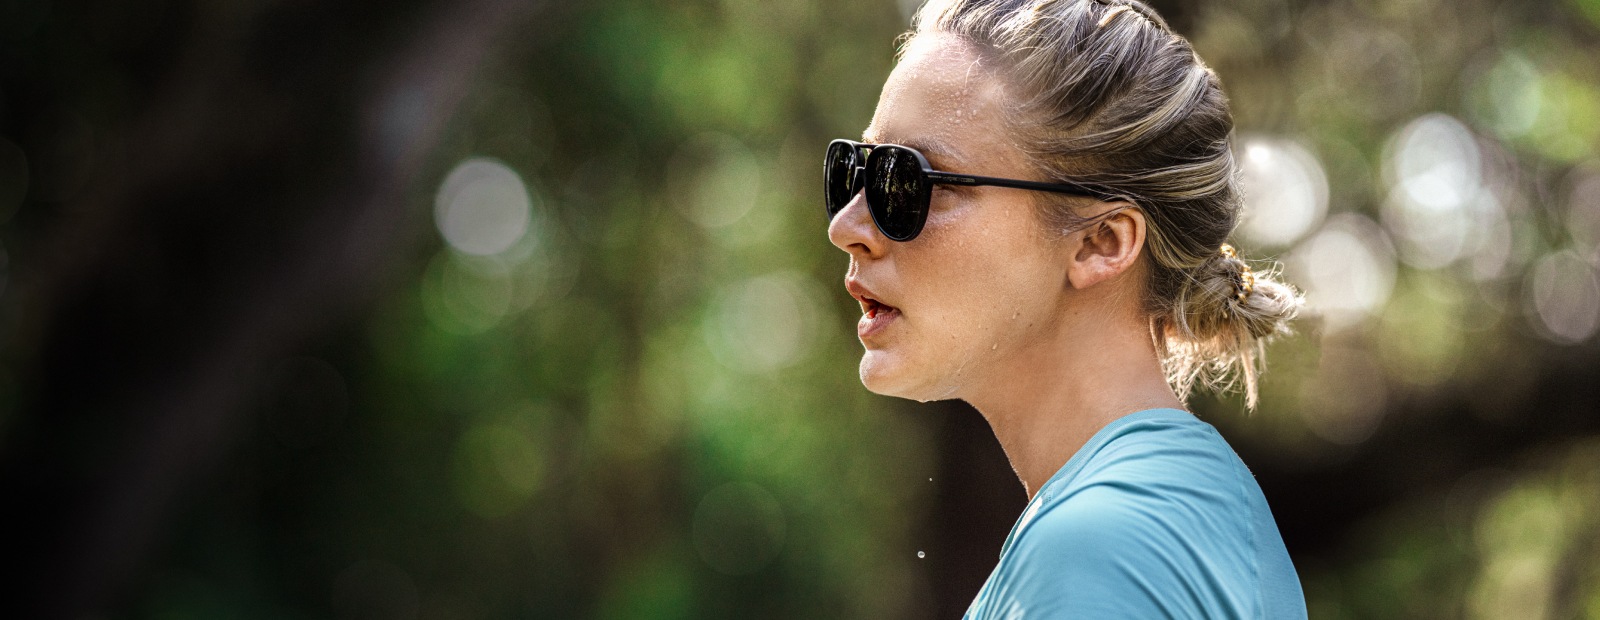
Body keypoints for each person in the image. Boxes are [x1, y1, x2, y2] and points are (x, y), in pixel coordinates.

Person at [821, 0, 1309, 617]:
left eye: (911, 182)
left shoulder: (1101, 548)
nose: (846, 227)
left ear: (1100, 242)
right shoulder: (1187, 508)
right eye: (855, 172)